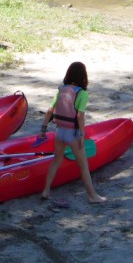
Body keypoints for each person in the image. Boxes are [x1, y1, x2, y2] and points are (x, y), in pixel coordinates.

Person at [39, 62, 107, 205]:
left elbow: (50, 110)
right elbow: (80, 116)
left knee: (56, 161)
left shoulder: (61, 90)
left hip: (59, 131)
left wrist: (43, 129)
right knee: (83, 165)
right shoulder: (82, 94)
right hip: (73, 134)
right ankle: (92, 196)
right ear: (83, 76)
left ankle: (45, 190)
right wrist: (82, 135)